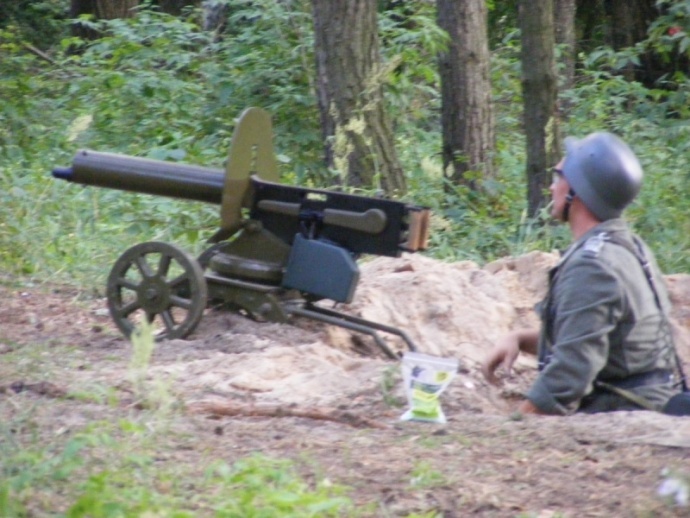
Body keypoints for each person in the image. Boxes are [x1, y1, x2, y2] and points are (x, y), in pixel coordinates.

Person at [481, 131, 684, 415]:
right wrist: (520, 338)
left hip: (625, 411)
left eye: (558, 177)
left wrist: (514, 427)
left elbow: (567, 377)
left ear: (577, 191)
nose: (551, 187)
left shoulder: (592, 266)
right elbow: (594, 339)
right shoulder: (628, 246)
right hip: (650, 400)